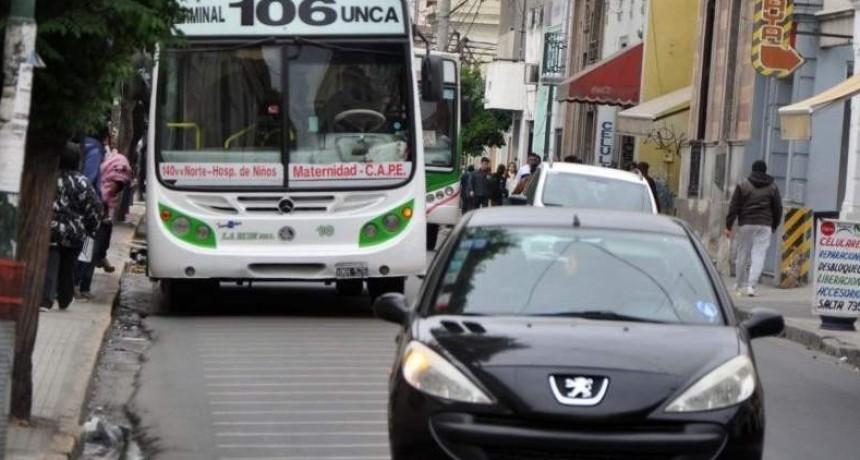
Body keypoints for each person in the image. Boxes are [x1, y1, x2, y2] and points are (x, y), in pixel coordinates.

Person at [43, 143, 103, 311]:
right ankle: (65, 298)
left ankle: (46, 299)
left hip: (51, 229)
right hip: (74, 232)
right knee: (68, 266)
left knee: (51, 262)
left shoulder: (50, 178)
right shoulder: (82, 182)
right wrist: (91, 227)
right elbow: (95, 208)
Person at [725, 160, 783, 297]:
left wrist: (728, 225)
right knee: (758, 255)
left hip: (746, 224)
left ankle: (739, 284)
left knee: (742, 254)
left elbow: (734, 206)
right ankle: (751, 286)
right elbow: (777, 208)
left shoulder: (743, 185)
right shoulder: (773, 187)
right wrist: (774, 225)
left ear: (752, 170)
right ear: (765, 170)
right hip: (764, 225)